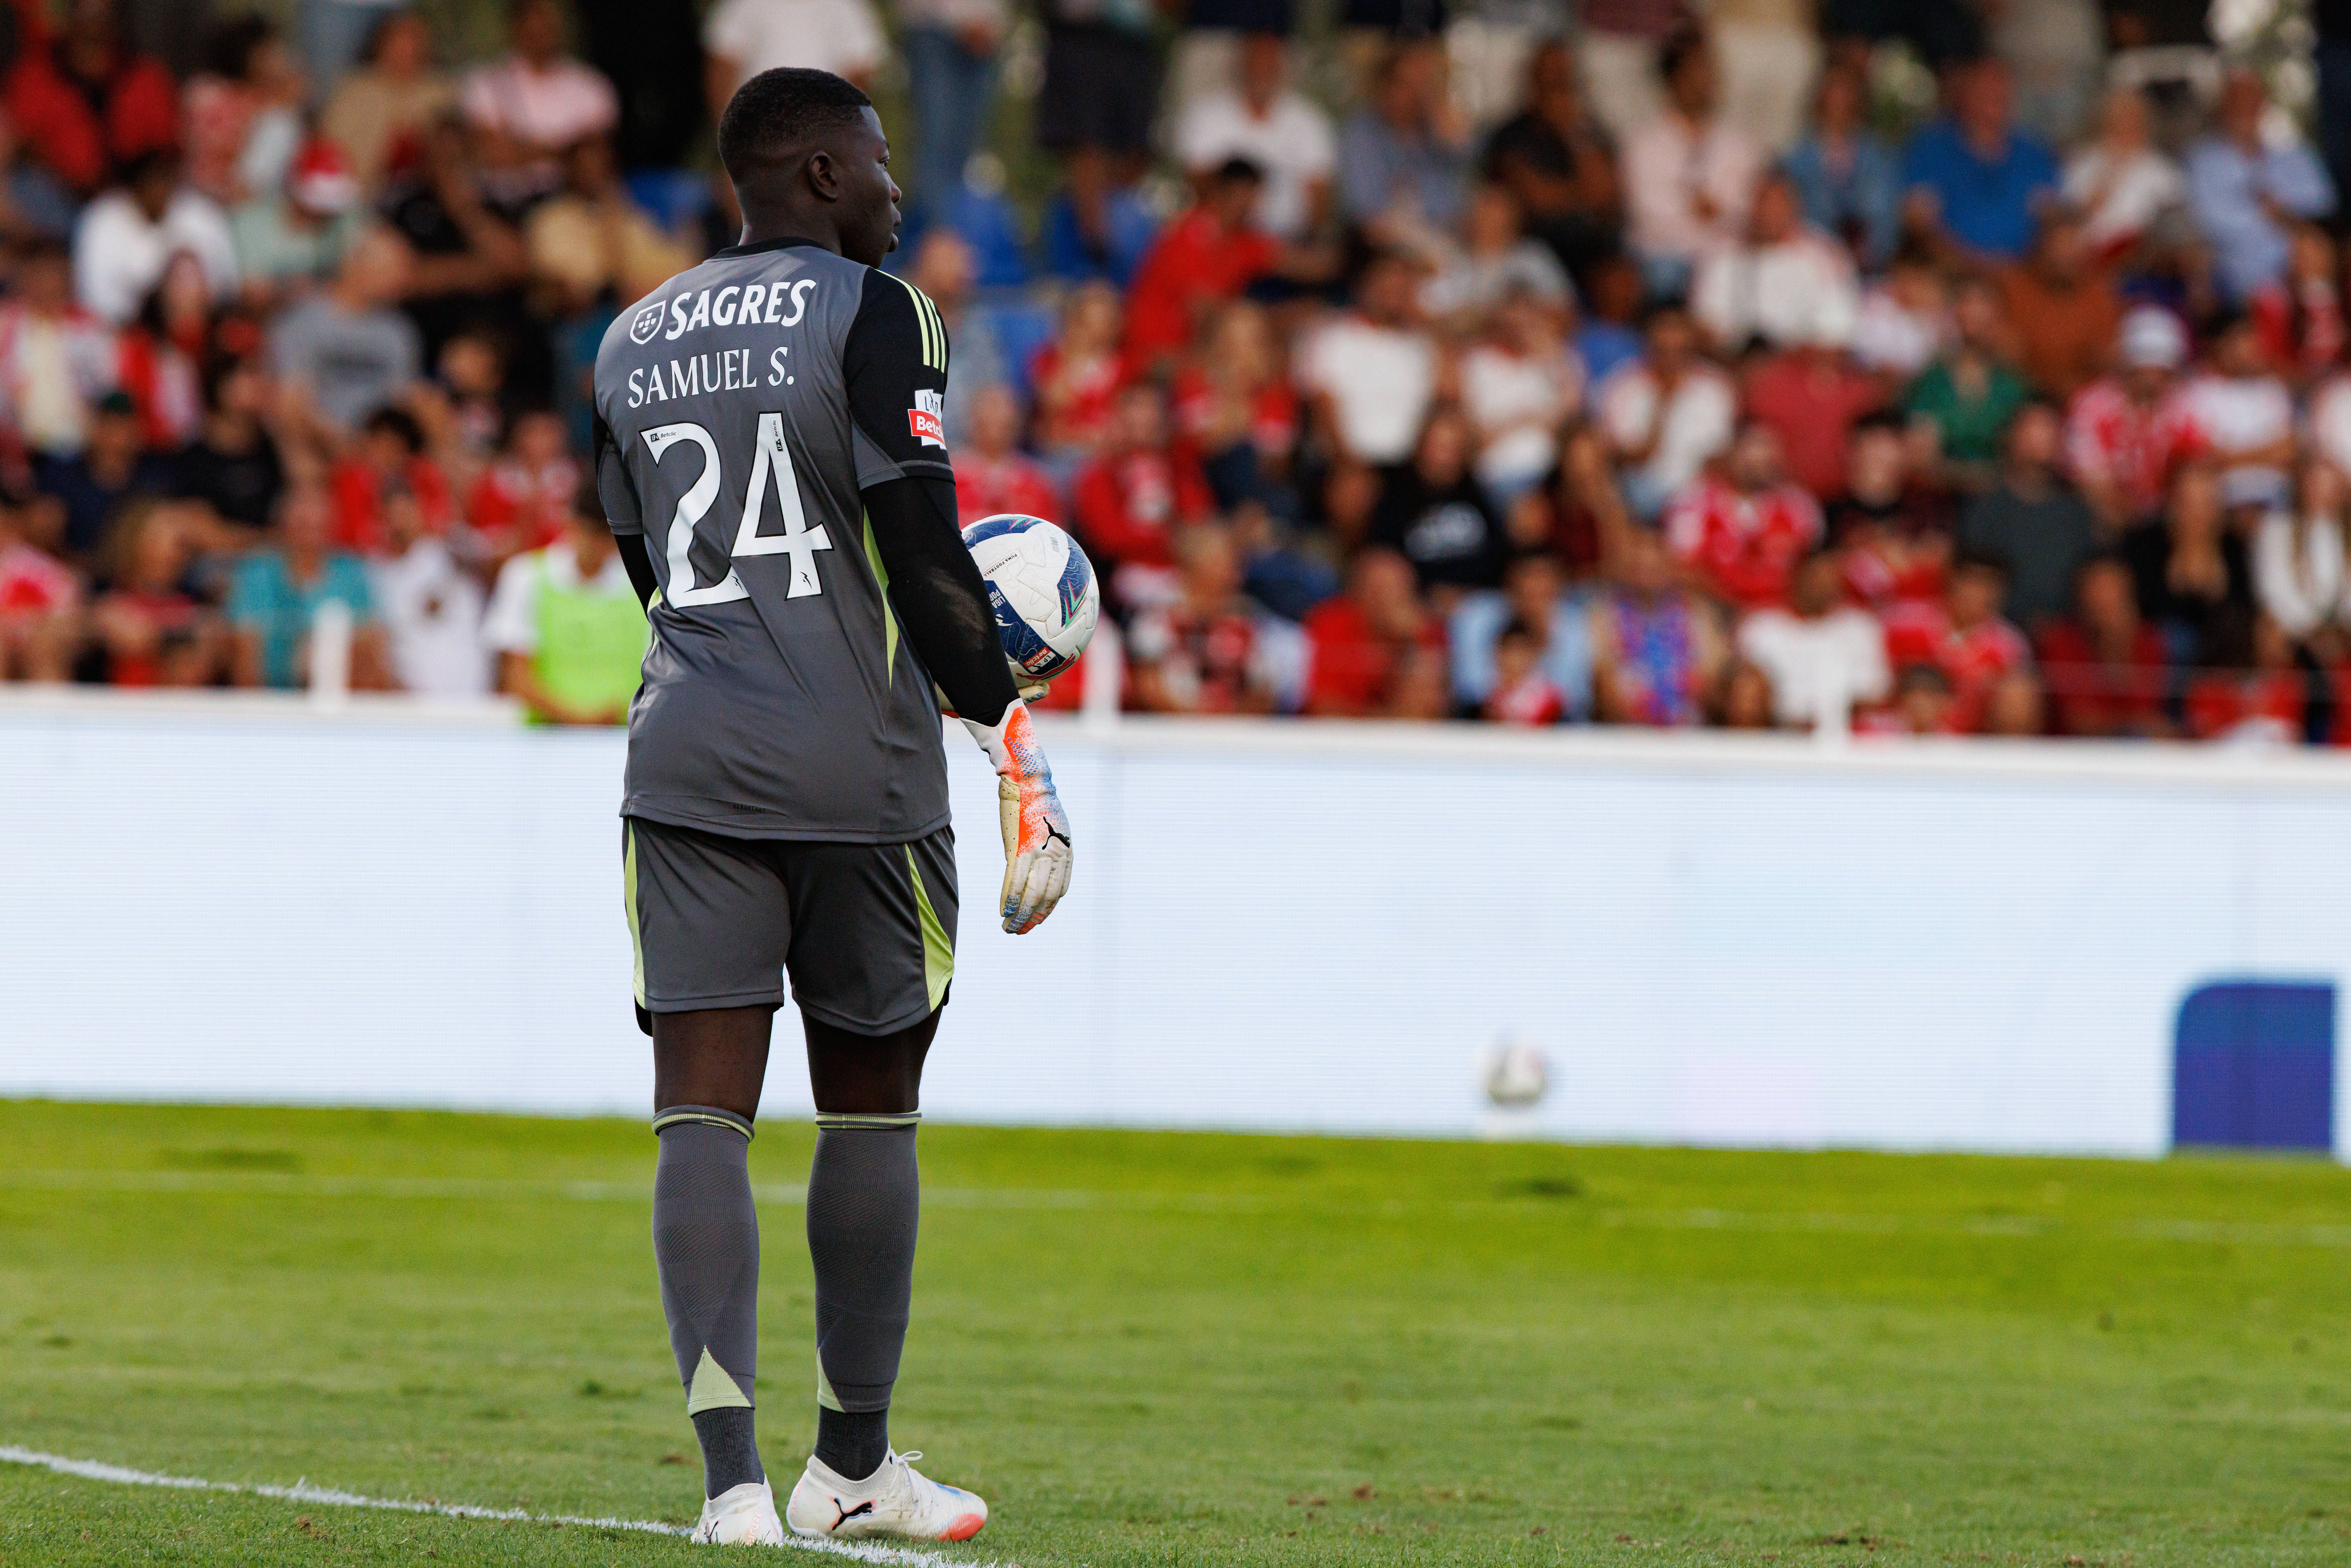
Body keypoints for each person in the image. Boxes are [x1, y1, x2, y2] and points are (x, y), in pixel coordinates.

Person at [588, 67, 1070, 1546]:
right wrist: (1010, 736)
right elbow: (923, 542)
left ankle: (733, 1489)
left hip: (683, 763)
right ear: (808, 173)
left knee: (700, 1117)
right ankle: (851, 1470)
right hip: (857, 777)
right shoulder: (881, 311)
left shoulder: (627, 337)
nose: (895, 190)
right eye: (873, 160)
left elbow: (642, 563)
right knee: (873, 1111)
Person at [482, 478, 640, 718]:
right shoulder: (526, 576)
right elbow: (515, 677)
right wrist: (575, 718)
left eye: (609, 535)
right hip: (547, 744)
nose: (601, 546)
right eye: (594, 533)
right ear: (572, 523)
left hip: (622, 741)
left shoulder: (642, 585)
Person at [1621, 26, 1761, 291]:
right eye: (1695, 69)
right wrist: (1699, 212)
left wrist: (1714, 211)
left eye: (1708, 69)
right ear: (1673, 78)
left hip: (1727, 261)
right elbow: (1646, 213)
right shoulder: (1643, 142)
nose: (1704, 80)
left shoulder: (1741, 144)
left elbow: (1747, 209)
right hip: (1666, 259)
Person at [2185, 69, 2334, 305]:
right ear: (2221, 108)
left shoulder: (2295, 156)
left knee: (2316, 249)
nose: (2245, 108)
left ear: (2264, 104)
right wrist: (2280, 216)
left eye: (2252, 99)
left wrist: (2280, 215)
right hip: (2238, 282)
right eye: (2236, 100)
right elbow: (2214, 223)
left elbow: (2322, 208)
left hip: (2304, 273)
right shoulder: (2203, 162)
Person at [1480, 39, 1623, 278]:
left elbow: (1606, 197)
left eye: (1563, 80)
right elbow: (1534, 199)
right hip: (1530, 252)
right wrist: (1581, 194)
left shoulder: (1590, 133)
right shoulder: (1510, 135)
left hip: (1594, 256)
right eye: (1548, 79)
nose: (1555, 89)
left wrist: (1574, 134)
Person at [1174, 32, 1335, 244]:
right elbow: (1198, 184)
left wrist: (1306, 241)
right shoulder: (1206, 114)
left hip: (1288, 241)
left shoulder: (1310, 120)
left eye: (1270, 66)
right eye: (1256, 65)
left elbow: (1320, 195)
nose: (1262, 73)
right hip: (1225, 239)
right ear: (1241, 67)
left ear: (1283, 70)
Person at [226, 484, 392, 689]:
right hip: (273, 701)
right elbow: (244, 659)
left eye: (316, 524)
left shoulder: (351, 574)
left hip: (339, 698)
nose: (308, 532)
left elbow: (373, 649)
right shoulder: (257, 573)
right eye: (302, 523)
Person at [1900, 57, 2057, 264]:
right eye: (1986, 93)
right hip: (1953, 272)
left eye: (2001, 92)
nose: (1995, 99)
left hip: (2021, 274)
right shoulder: (1933, 148)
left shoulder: (2032, 152)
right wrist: (1969, 264)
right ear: (1965, 97)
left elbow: (2049, 220)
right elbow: (1919, 224)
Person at [1957, 401, 2098, 630]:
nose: (2043, 438)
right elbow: (1973, 580)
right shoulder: (1985, 509)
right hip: (1997, 632)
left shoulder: (2077, 513)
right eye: (2034, 429)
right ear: (2011, 438)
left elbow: (2088, 580)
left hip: (2065, 637)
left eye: (2050, 430)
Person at [1689, 168, 1860, 355]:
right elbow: (1706, 325)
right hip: (1735, 363)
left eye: (1777, 204)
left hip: (1798, 366)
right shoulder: (1721, 254)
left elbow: (1837, 332)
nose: (1768, 212)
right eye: (1762, 202)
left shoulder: (1825, 255)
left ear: (1796, 207)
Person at [268, 225, 422, 432]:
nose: (403, 279)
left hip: (381, 446)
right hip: (319, 441)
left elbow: (402, 397)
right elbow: (292, 400)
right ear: (356, 264)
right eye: (394, 269)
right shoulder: (300, 321)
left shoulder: (398, 330)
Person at [461, 0, 620, 200]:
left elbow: (595, 160)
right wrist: (567, 152)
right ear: (516, 26)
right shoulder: (487, 82)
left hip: (574, 200)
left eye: (546, 20)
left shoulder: (592, 87)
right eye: (531, 20)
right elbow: (494, 155)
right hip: (508, 202)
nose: (539, 31)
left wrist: (525, 148)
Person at [1297, 249, 1440, 469]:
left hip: (1406, 471)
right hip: (1342, 466)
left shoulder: (1421, 347)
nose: (1393, 296)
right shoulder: (1332, 336)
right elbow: (1321, 407)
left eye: (1401, 289)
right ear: (1366, 285)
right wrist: (1347, 465)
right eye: (1386, 286)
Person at [1594, 299, 1737, 519]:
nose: (1671, 340)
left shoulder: (1716, 388)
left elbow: (1721, 456)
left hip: (1699, 497)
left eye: (1677, 329)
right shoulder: (1622, 387)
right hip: (1641, 498)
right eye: (1664, 329)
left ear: (1691, 335)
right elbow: (1622, 458)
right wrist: (1662, 406)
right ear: (1648, 336)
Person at [1664, 419, 1824, 610]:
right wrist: (1731, 605)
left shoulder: (1799, 506)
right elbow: (1682, 567)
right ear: (1730, 455)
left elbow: (1815, 568)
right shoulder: (1694, 502)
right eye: (1751, 453)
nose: (1760, 461)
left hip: (1783, 613)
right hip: (1716, 610)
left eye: (1768, 456)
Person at [1124, 522, 1280, 713]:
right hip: (1171, 732)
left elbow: (1264, 691)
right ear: (1195, 565)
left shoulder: (1246, 618)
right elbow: (1146, 684)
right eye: (1223, 563)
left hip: (1234, 735)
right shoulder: (1158, 614)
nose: (1234, 574)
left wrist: (1228, 721)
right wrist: (1195, 720)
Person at [72, 150, 240, 325]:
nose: (158, 193)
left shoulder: (200, 213)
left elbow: (226, 284)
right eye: (150, 185)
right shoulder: (103, 218)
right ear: (133, 189)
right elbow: (93, 298)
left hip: (201, 325)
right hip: (121, 329)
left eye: (163, 184)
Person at [1336, 41, 1473, 256]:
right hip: (1385, 252)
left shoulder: (1437, 130)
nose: (1416, 96)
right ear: (1384, 86)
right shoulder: (1362, 130)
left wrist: (1441, 118)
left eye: (1423, 85)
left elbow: (1461, 204)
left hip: (1445, 242)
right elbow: (1367, 219)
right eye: (1406, 85)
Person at [2063, 305, 2190, 531]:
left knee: (2198, 488)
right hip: (2109, 517)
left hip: (2168, 517)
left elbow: (2196, 461)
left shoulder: (2183, 407)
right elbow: (2089, 474)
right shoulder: (2093, 405)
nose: (2152, 380)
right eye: (2144, 370)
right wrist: (2131, 518)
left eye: (2160, 371)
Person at [1734, 548, 1890, 728]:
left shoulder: (1859, 629)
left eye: (1829, 578)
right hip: (1774, 734)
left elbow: (1876, 693)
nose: (1822, 586)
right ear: (1797, 578)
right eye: (1815, 577)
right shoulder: (1761, 629)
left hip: (1843, 738)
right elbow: (1743, 695)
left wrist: (1827, 720)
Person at [1879, 551, 2031, 732]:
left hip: (1971, 745)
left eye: (1988, 585)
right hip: (1899, 734)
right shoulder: (1904, 624)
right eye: (1972, 581)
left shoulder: (2009, 646)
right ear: (1952, 581)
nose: (1978, 592)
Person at [1368, 405, 1512, 595]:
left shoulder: (1477, 494)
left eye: (1453, 449)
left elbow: (1496, 557)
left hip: (1475, 599)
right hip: (1418, 602)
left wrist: (1465, 593)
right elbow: (1388, 558)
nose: (1444, 458)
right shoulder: (1396, 496)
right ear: (1422, 446)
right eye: (1438, 447)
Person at [319, 10, 456, 193]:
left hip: (429, 198)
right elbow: (331, 149)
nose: (410, 49)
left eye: (416, 41)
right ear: (382, 44)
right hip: (362, 196)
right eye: (402, 41)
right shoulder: (354, 91)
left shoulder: (442, 93)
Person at [2034, 552, 2169, 737]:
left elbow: (2148, 710)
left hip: (2136, 751)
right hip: (2070, 752)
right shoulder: (2060, 640)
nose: (2105, 599)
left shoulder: (2148, 639)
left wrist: (2122, 646)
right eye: (2097, 588)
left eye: (2113, 588)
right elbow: (2079, 720)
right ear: (2081, 595)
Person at [898, 0, 1006, 222]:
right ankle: (937, 238)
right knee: (935, 144)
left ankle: (955, 235)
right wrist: (964, 17)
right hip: (931, 28)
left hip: (987, 36)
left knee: (970, 149)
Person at [1997, 205, 2119, 403]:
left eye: (2073, 245)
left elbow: (2105, 359)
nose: (2066, 255)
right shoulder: (2015, 288)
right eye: (2059, 245)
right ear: (2041, 247)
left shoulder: (2099, 295)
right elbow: (2008, 357)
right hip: (2024, 400)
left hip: (2083, 401)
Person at [1783, 64, 1899, 269]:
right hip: (1809, 267)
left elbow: (1886, 224)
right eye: (1834, 92)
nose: (1840, 100)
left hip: (1867, 271)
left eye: (1847, 93)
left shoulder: (1879, 158)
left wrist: (1865, 255)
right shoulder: (1795, 158)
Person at [2062, 84, 2183, 259]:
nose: (2126, 128)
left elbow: (2172, 223)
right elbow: (2069, 216)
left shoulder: (2162, 171)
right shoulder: (2082, 163)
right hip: (2087, 256)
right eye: (2118, 121)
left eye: (2133, 120)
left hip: (2141, 259)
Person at [953, 384, 1059, 526]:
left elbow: (1051, 535)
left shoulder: (1036, 482)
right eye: (987, 413)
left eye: (1000, 413)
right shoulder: (951, 476)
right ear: (972, 420)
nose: (994, 418)